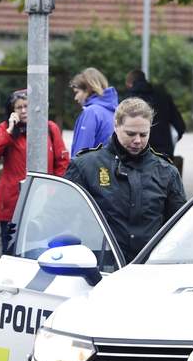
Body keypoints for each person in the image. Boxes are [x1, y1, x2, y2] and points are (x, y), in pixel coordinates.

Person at [65, 97, 186, 263]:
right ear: (116, 125)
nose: (137, 140)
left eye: (143, 134)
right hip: (101, 267)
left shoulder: (167, 172)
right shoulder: (85, 166)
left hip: (148, 267)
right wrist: (33, 227)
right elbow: (61, 213)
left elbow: (180, 227)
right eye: (131, 134)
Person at [0, 89, 69, 254]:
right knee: (11, 252)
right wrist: (9, 131)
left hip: (44, 202)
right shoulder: (5, 129)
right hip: (12, 201)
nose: (23, 111)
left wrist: (54, 191)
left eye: (27, 106)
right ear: (12, 111)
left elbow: (62, 162)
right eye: (18, 107)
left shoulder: (50, 128)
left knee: (40, 251)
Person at [125, 69, 186, 158]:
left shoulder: (127, 100)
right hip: (162, 153)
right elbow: (180, 126)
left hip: (135, 154)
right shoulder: (163, 97)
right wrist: (169, 143)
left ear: (129, 84)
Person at [69, 67, 118, 155]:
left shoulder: (91, 112)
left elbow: (81, 154)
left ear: (88, 89)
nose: (75, 98)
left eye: (77, 92)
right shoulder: (115, 111)